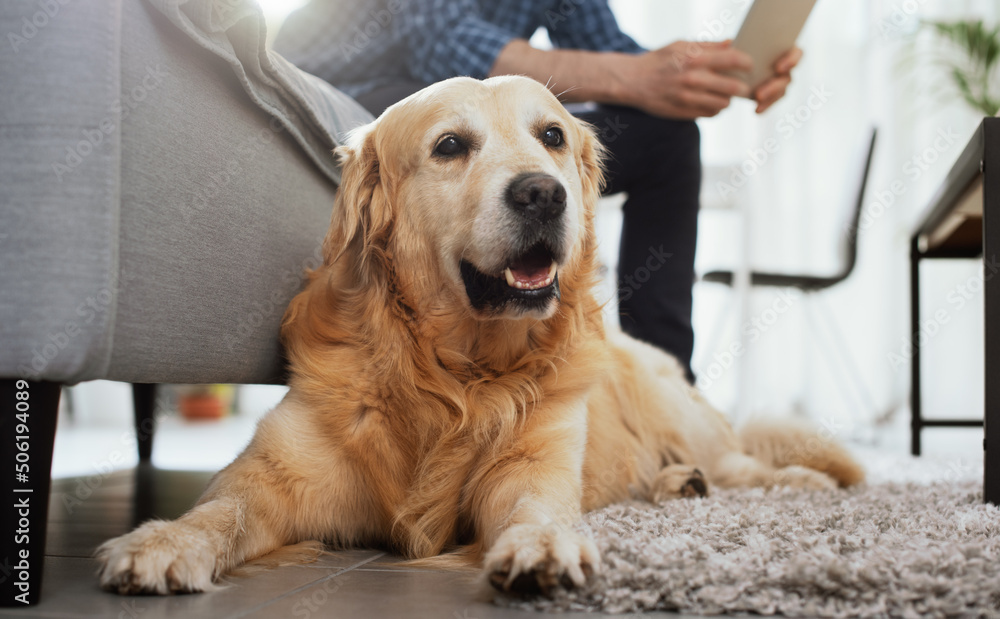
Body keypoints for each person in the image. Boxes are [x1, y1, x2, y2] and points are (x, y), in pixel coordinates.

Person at [273, 1, 801, 383]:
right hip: (358, 99)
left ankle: (668, 383)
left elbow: (616, 56)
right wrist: (638, 76)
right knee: (443, 105)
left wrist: (709, 76)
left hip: (478, 103)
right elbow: (445, 46)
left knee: (668, 135)